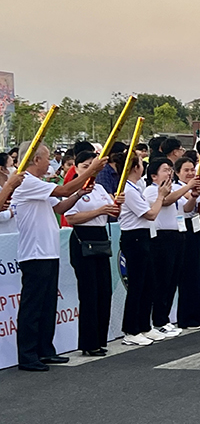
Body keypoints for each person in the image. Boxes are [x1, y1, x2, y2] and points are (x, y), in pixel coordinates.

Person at [10, 143, 106, 371]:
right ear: (35, 160)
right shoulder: (25, 181)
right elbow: (62, 191)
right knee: (33, 306)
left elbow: (61, 206)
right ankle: (28, 354)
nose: (49, 162)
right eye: (45, 158)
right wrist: (91, 171)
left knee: (47, 304)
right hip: (34, 252)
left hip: (48, 250)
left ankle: (45, 349)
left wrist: (80, 193)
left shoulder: (40, 184)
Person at [65, 151, 122, 356]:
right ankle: (89, 342)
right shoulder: (74, 188)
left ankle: (100, 338)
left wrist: (117, 204)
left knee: (103, 290)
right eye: (85, 166)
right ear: (77, 167)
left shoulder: (99, 188)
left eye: (93, 166)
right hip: (82, 237)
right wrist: (98, 211)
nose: (90, 170)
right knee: (89, 293)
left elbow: (113, 212)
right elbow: (70, 217)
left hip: (100, 237)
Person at [117, 152, 172, 345]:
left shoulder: (135, 187)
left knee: (149, 283)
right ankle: (131, 329)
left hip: (144, 237)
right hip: (134, 238)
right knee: (137, 285)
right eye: (141, 163)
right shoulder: (128, 190)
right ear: (135, 167)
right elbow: (150, 214)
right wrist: (160, 197)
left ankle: (144, 326)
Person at [144, 157, 198, 336]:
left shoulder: (176, 188)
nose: (169, 173)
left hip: (178, 234)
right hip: (161, 237)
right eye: (165, 170)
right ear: (154, 175)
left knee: (173, 279)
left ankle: (165, 318)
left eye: (169, 169)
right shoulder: (152, 191)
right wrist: (188, 187)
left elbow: (187, 208)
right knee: (162, 279)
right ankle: (158, 320)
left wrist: (194, 196)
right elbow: (166, 201)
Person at [174, 156, 200, 329]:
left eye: (192, 170)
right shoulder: (177, 188)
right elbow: (187, 206)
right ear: (177, 173)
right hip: (186, 228)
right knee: (190, 274)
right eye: (186, 170)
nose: (190, 173)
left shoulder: (195, 185)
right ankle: (187, 316)